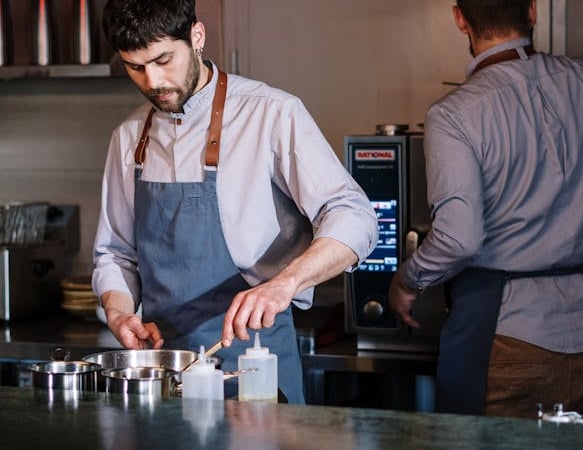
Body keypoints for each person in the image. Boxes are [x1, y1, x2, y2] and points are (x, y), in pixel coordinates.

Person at [387, 0, 583, 417]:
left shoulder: (453, 115)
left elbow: (459, 238)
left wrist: (407, 281)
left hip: (504, 341)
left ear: (459, 19)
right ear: (532, 11)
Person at [92, 0, 378, 404]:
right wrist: (120, 312)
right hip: (164, 372)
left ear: (197, 36)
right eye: (135, 67)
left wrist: (285, 284)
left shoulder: (271, 114)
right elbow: (115, 255)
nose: (153, 81)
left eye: (163, 60)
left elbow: (355, 217)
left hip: (254, 364)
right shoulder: (129, 138)